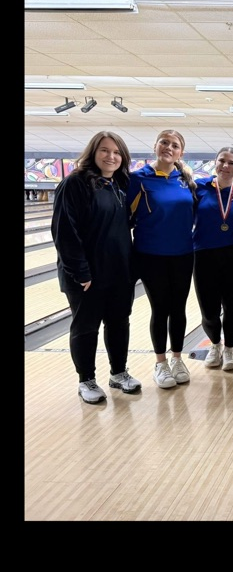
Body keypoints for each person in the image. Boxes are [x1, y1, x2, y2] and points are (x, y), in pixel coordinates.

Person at [51, 131, 141, 404]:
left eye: (116, 152)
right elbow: (65, 232)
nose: (111, 156)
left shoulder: (120, 184)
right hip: (86, 275)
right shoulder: (75, 183)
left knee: (119, 323)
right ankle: (86, 380)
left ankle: (119, 373)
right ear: (93, 152)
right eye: (105, 150)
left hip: (119, 271)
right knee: (86, 328)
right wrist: (80, 272)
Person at [126, 129, 197, 389]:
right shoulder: (138, 179)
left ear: (181, 152)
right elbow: (124, 218)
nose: (169, 147)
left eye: (174, 145)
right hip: (151, 255)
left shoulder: (186, 180)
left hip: (183, 254)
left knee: (178, 308)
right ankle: (160, 363)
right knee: (160, 308)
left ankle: (177, 359)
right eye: (164, 142)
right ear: (155, 146)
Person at [192, 147, 233, 372]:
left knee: (231, 305)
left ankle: (230, 349)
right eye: (222, 161)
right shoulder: (199, 188)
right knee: (209, 309)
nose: (226, 166)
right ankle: (215, 344)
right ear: (215, 162)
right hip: (204, 255)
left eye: (232, 162)